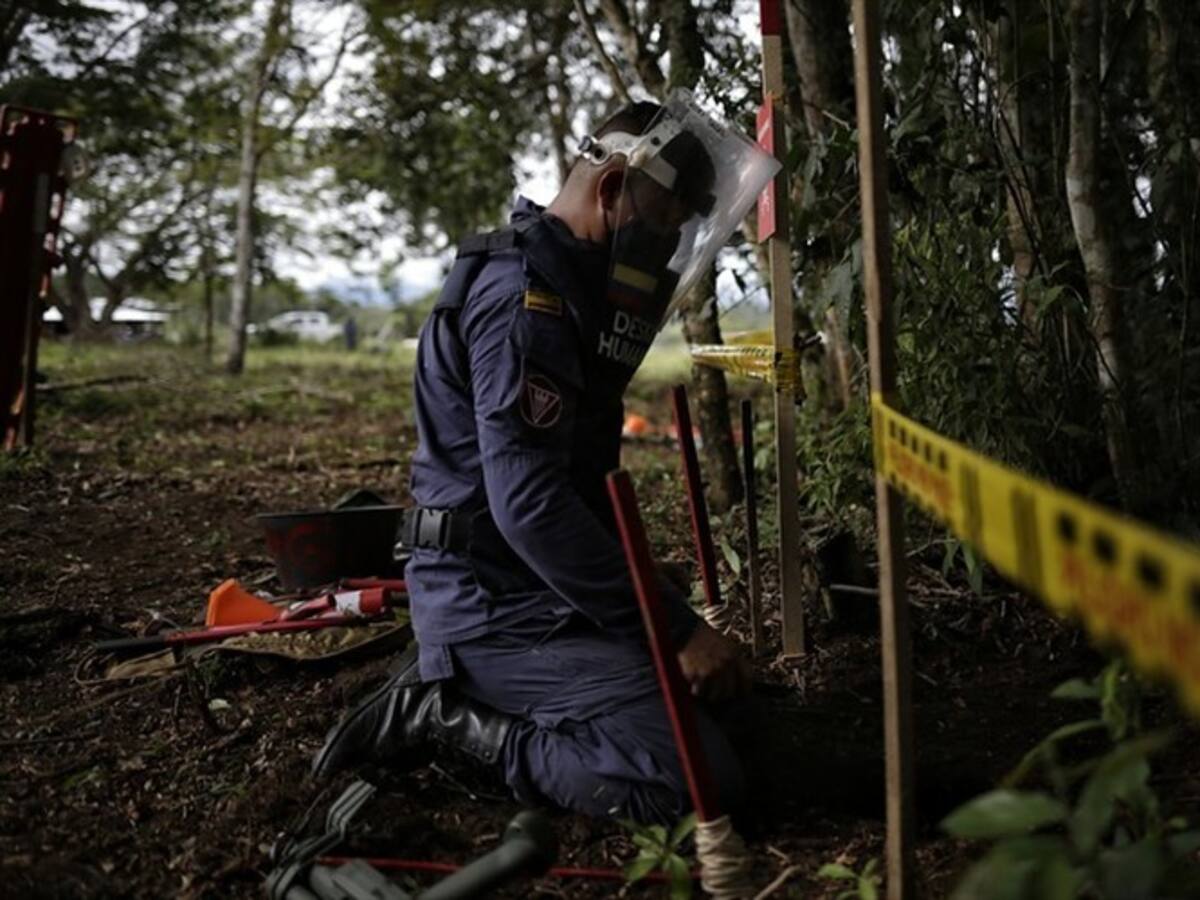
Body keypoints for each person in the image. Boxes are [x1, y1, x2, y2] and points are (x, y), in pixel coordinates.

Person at [313, 94, 779, 824]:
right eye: (661, 225)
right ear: (612, 189)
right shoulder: (524, 299)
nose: (663, 250)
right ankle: (449, 723)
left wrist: (643, 590)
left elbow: (568, 476)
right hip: (492, 603)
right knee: (694, 781)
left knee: (746, 724)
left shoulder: (568, 283)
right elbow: (529, 504)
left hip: (536, 588)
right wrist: (675, 629)